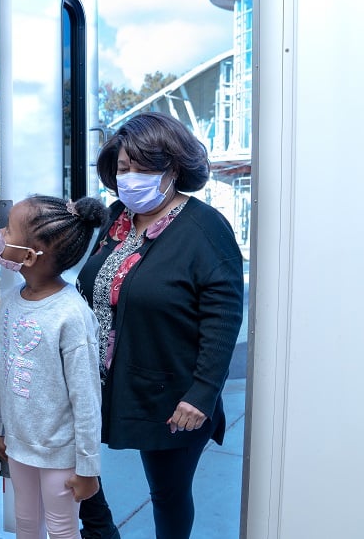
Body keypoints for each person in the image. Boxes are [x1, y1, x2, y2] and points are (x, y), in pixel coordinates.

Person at [76, 112, 244, 539]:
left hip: (174, 394)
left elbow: (223, 317)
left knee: (167, 493)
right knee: (79, 470)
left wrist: (201, 395)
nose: (130, 178)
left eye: (143, 168)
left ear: (172, 169)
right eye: (123, 169)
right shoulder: (118, 218)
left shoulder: (204, 227)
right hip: (103, 383)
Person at [0, 195, 108, 539]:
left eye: (8, 229)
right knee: (25, 522)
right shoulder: (10, 302)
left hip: (60, 453)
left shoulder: (72, 315)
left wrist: (88, 467)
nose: (0, 233)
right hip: (19, 445)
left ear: (30, 254)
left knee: (62, 528)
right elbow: (0, 370)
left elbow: (86, 399)